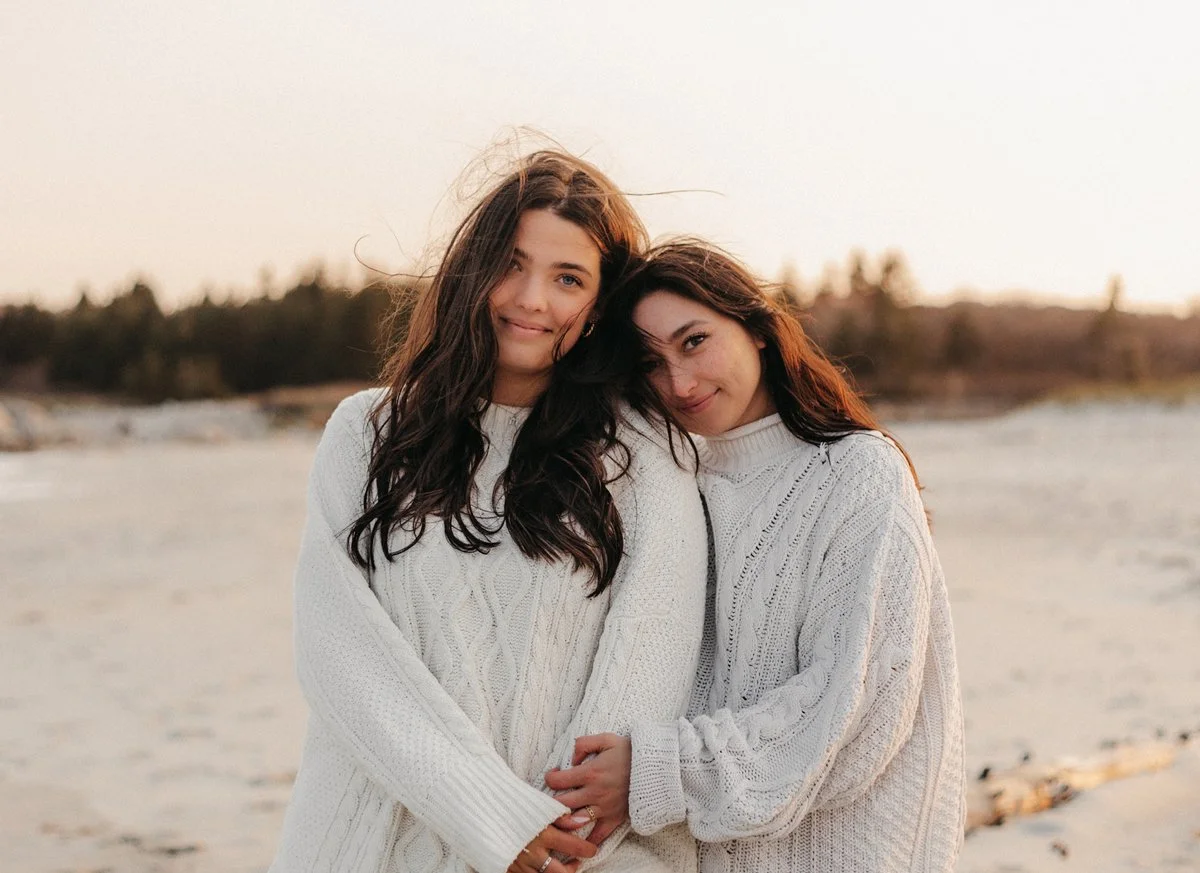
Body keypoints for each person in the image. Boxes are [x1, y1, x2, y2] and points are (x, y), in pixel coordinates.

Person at [269, 154, 708, 873]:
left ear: (598, 308)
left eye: (568, 278)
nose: (532, 298)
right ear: (472, 270)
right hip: (365, 847)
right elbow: (336, 650)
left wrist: (548, 837)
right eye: (511, 264)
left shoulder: (645, 461)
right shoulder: (365, 431)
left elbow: (644, 679)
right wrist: (495, 819)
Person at [546, 240, 966, 872]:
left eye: (694, 342)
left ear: (757, 328)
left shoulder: (858, 471)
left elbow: (854, 706)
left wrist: (659, 770)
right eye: (650, 364)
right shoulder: (678, 483)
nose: (679, 383)